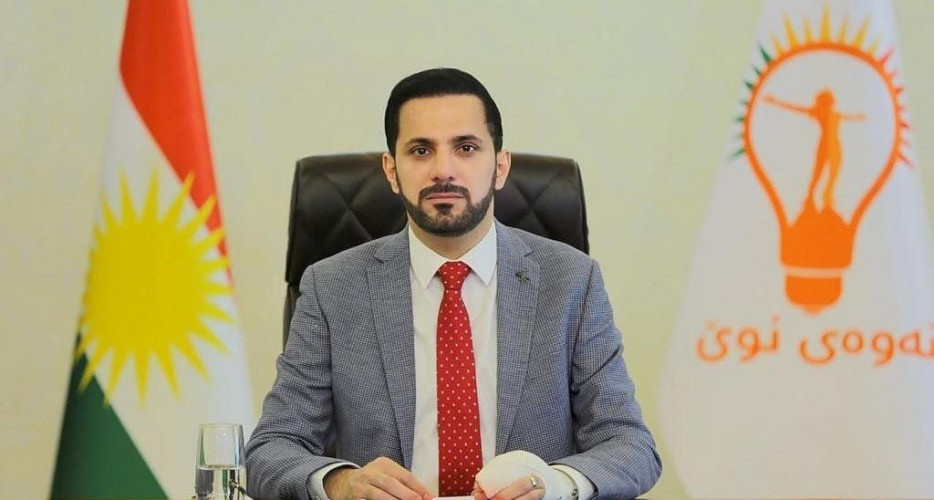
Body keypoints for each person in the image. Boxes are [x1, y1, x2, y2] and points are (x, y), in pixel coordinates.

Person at [245, 68, 661, 500]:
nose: (443, 171)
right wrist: (341, 483)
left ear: (500, 166)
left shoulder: (572, 281)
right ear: (392, 171)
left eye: (466, 148)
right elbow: (270, 451)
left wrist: (555, 485)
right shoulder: (333, 288)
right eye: (420, 150)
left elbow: (630, 446)